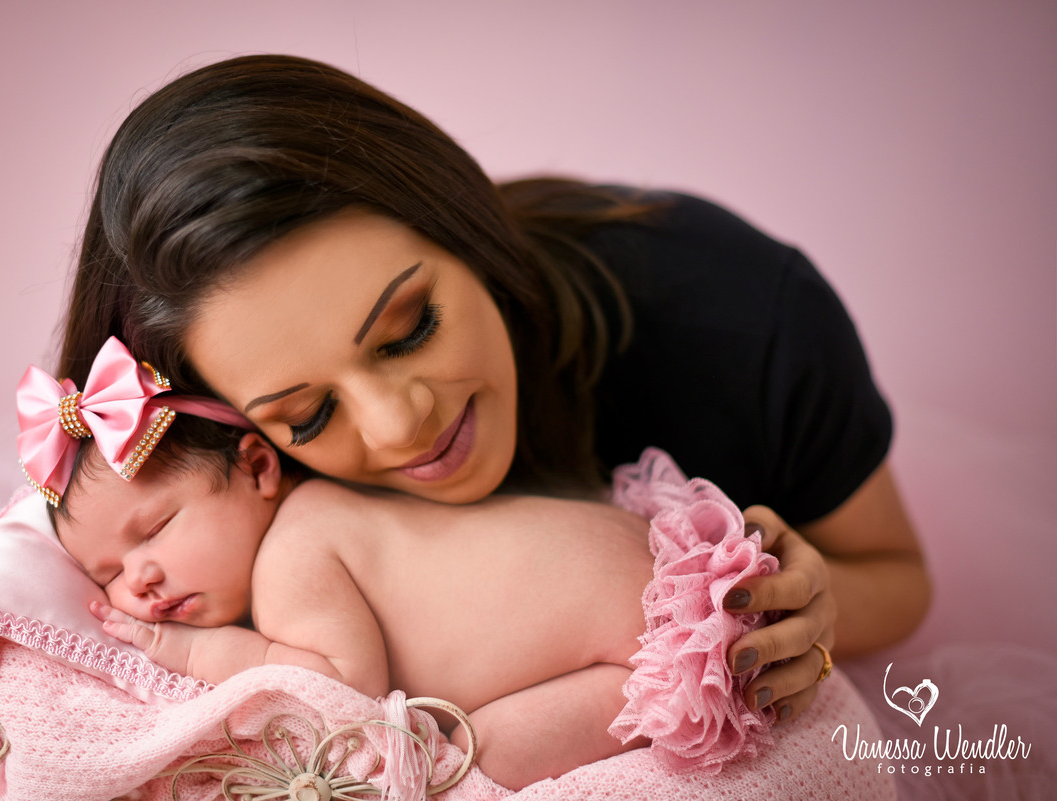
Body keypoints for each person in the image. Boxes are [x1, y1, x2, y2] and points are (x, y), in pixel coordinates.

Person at [55, 54, 930, 728]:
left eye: (411, 329)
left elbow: (902, 576)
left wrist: (805, 606)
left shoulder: (737, 312)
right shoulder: (239, 501)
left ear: (463, 225)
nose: (401, 426)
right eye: (308, 415)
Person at [17, 338, 777, 790]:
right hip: (665, 564)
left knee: (456, 759)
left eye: (155, 528)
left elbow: (340, 688)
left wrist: (175, 647)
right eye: (107, 572)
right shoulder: (336, 503)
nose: (138, 581)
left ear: (257, 468)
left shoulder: (295, 552)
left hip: (647, 643)